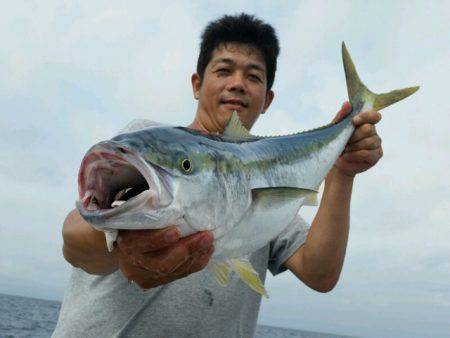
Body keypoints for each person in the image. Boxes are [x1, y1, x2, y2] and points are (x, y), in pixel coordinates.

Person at [54, 13, 383, 337]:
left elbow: (320, 274)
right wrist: (119, 239)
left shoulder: (272, 200)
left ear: (267, 99)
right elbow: (75, 242)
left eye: (253, 77)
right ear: (197, 84)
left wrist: (342, 173)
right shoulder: (144, 141)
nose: (237, 83)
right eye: (224, 70)